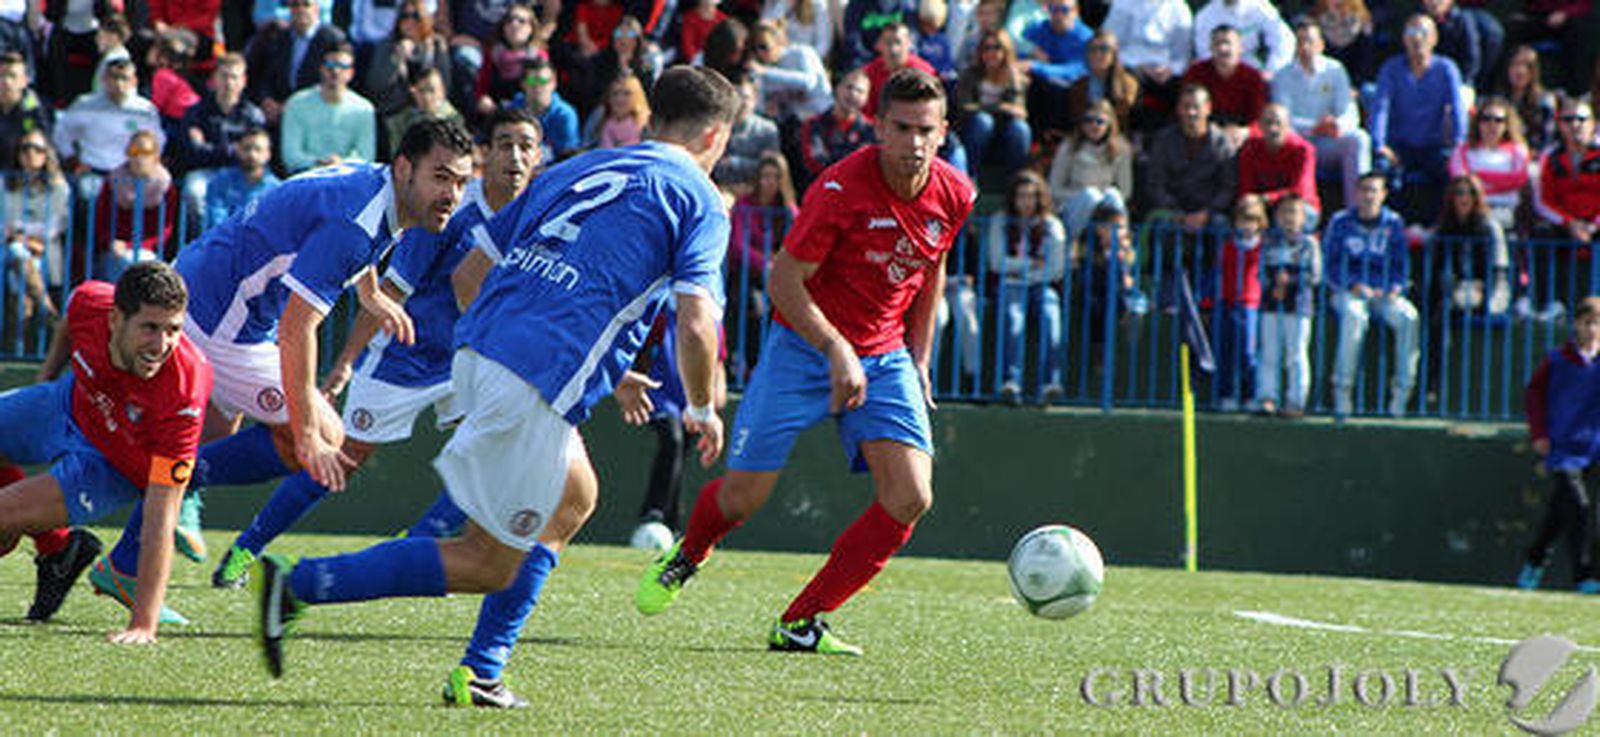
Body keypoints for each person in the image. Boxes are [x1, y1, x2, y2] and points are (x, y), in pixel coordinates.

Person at [250, 66, 738, 700]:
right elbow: (698, 325)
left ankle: (483, 669)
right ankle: (299, 586)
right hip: (531, 377)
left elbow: (472, 268)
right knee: (487, 561)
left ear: (652, 121)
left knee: (574, 497)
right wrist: (701, 406)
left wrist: (515, 342)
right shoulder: (698, 197)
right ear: (716, 136)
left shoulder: (577, 167)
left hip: (479, 349)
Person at [635, 68, 976, 655]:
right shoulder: (840, 189)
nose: (914, 142)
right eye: (901, 128)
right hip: (801, 348)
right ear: (878, 128)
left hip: (885, 352)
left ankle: (800, 621)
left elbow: (932, 266)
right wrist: (836, 349)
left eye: (926, 129)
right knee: (743, 497)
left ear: (943, 132)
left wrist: (917, 357)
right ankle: (688, 551)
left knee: (911, 496)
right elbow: (783, 281)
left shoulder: (955, 193)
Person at [86, 119, 477, 625]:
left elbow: (329, 196)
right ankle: (161, 499)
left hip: (209, 288)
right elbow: (298, 329)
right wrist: (308, 432)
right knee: (318, 439)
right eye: (442, 177)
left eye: (462, 182)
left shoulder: (370, 182)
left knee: (208, 440)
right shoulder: (355, 227)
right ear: (404, 168)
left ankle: (130, 552)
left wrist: (369, 292)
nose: (453, 194)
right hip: (221, 323)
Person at [0, 262, 211, 640]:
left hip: (109, 468)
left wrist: (143, 626)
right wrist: (45, 378)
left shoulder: (183, 394)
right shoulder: (92, 302)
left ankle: (42, 537)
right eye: (150, 327)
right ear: (115, 319)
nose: (161, 345)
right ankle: (59, 549)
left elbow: (161, 516)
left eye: (174, 330)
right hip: (67, 403)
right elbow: (70, 320)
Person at [1517, 296, 1600, 593]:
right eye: (1587, 322)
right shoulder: (1557, 360)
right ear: (1576, 324)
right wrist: (1539, 433)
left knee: (1559, 513)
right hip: (1562, 447)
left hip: (1594, 446)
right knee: (1578, 506)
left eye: (1598, 323)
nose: (1592, 329)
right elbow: (1534, 395)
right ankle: (1584, 576)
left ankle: (1535, 560)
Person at [1322, 172, 1418, 418]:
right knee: (1355, 316)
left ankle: (1401, 394)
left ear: (1383, 195)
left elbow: (1401, 266)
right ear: (1355, 193)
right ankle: (1343, 391)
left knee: (1408, 317)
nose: (1368, 195)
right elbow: (1330, 265)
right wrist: (1352, 284)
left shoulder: (1394, 223)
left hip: (1382, 293)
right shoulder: (1340, 221)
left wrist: (1394, 287)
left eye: (1374, 190)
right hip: (1347, 292)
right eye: (1364, 189)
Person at [1370, 14, 1467, 223]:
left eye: (1423, 33)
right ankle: (1386, 228)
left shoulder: (1446, 68)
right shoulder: (1391, 68)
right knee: (1381, 171)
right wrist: (1379, 144)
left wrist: (1460, 144)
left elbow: (1458, 108)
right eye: (1411, 33)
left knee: (1454, 175)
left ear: (1434, 38)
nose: (1417, 39)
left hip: (1434, 146)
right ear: (1404, 39)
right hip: (1399, 146)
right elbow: (1380, 108)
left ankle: (1441, 228)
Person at [989, 170, 1066, 406]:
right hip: (1010, 284)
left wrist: (1022, 270)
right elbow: (996, 262)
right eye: (1021, 196)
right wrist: (1031, 263)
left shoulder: (1052, 224)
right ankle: (1010, 382)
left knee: (1050, 316)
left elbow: (1056, 268)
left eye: (1032, 196)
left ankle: (1050, 384)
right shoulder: (1000, 220)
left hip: (1041, 285)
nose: (1026, 201)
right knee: (1013, 319)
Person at [1273, 18, 1367, 209]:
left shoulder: (1336, 70)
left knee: (1358, 139)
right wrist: (1313, 127)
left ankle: (1358, 210)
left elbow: (1350, 113)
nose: (1306, 47)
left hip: (1328, 141)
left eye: (1311, 41)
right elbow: (1282, 120)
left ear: (1321, 45)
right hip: (1297, 143)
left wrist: (1337, 125)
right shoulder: (1282, 76)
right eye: (1301, 42)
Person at [1532, 98, 1599, 321]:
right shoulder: (1550, 157)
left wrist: (1592, 226)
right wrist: (1570, 223)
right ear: (1560, 124)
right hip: (1566, 226)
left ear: (1593, 123)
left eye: (1581, 119)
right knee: (1541, 232)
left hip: (1594, 226)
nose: (1575, 125)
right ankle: (1546, 303)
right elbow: (1542, 201)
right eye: (1568, 119)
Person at [1253, 194, 1319, 417]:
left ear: (1303, 217)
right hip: (1271, 305)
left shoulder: (1309, 244)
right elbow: (1260, 272)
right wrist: (1273, 284)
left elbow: (1315, 275)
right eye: (1284, 212)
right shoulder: (1269, 242)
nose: (1289, 218)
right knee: (1269, 353)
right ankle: (1267, 397)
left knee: (1296, 355)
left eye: (1294, 212)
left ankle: (1296, 401)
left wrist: (1289, 282)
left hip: (1299, 307)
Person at [92, 131, 180, 279]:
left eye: (146, 152)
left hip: (148, 249)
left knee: (138, 263)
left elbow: (165, 230)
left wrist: (132, 246)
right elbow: (101, 220)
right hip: (114, 248)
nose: (139, 158)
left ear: (156, 156)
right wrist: (111, 242)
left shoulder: (165, 184)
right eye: (134, 151)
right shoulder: (114, 180)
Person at [280, 43, 379, 174]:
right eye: (330, 66)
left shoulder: (364, 109)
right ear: (321, 69)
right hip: (305, 177)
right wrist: (320, 163)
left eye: (342, 67)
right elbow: (290, 156)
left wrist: (341, 164)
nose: (335, 71)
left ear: (351, 73)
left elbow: (367, 157)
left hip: (347, 178)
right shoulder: (296, 103)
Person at [1046, 98, 1132, 243]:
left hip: (1105, 206)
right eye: (1089, 120)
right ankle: (1073, 246)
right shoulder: (1069, 147)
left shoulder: (1121, 149)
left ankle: (1119, 249)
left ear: (1109, 124)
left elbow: (1125, 190)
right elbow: (1054, 189)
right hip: (1073, 206)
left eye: (1100, 121)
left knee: (1114, 195)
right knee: (1090, 195)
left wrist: (1101, 197)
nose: (1094, 125)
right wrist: (1087, 195)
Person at [955, 28, 1031, 179]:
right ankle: (969, 177)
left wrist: (990, 108)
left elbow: (1019, 112)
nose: (991, 53)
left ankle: (1015, 181)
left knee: (1020, 129)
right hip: (975, 133)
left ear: (1006, 51)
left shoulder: (1015, 78)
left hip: (1004, 135)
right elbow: (964, 107)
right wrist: (998, 108)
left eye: (997, 47)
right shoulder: (970, 75)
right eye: (986, 48)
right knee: (983, 121)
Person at [1447, 96, 1530, 232]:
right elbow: (1461, 182)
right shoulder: (1462, 150)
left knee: (1492, 225)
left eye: (1498, 120)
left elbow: (1518, 180)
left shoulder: (1518, 151)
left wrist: (1479, 177)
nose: (1492, 125)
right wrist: (1499, 181)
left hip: (1506, 209)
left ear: (1506, 124)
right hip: (1470, 210)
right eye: (1486, 119)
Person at [1215, 194, 1267, 411]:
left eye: (1252, 219)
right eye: (1242, 219)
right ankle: (1226, 395)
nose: (1247, 225)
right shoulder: (1227, 246)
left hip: (1249, 305)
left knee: (1248, 352)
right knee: (1225, 351)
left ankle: (1250, 395)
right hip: (1227, 302)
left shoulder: (1263, 247)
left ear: (1260, 223)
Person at [1236, 103, 1320, 223]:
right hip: (1263, 206)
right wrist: (1253, 201)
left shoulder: (1303, 150)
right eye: (1268, 123)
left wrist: (1266, 198)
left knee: (1292, 214)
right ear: (1260, 126)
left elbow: (1299, 191)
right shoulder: (1250, 149)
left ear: (1288, 126)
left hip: (1300, 206)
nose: (1273, 129)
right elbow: (1246, 188)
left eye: (1278, 123)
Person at [796, 68, 874, 190]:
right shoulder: (813, 125)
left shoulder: (872, 130)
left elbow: (867, 166)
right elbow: (814, 161)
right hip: (821, 191)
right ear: (838, 88)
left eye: (860, 91)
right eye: (849, 87)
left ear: (866, 99)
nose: (853, 94)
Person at [202, 128, 281, 230]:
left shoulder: (277, 189)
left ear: (268, 154)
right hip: (225, 241)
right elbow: (216, 220)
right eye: (247, 148)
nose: (252, 154)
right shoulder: (221, 181)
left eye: (258, 149)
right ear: (238, 150)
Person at [597, 75, 651, 148]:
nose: (620, 99)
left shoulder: (647, 122)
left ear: (637, 96)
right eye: (615, 93)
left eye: (627, 93)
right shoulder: (605, 123)